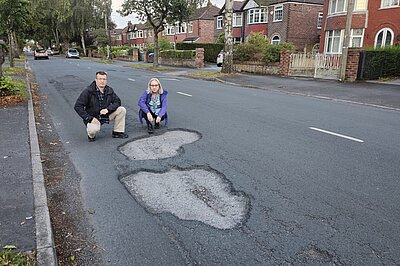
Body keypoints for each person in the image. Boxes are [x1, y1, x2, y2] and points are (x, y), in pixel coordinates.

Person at [74, 71, 128, 142]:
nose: (102, 81)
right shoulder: (88, 91)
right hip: (93, 118)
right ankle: (91, 135)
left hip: (105, 115)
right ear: (96, 80)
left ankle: (117, 132)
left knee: (121, 110)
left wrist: (108, 109)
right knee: (93, 130)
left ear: (106, 81)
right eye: (100, 79)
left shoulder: (109, 90)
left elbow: (117, 101)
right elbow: (77, 106)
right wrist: (90, 118)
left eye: (104, 79)